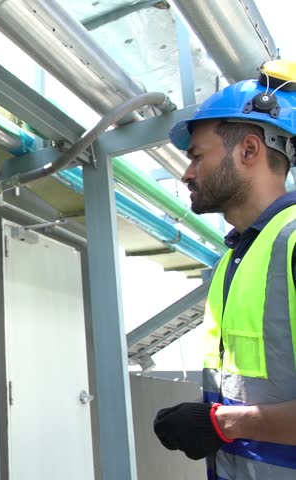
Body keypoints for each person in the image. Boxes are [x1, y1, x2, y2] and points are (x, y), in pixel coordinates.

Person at [153, 59, 296, 479]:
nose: (186, 173)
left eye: (197, 156)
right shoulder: (238, 257)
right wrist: (216, 417)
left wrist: (219, 423)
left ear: (248, 150)